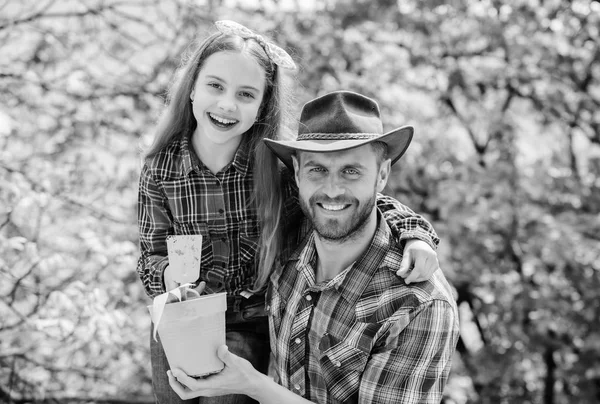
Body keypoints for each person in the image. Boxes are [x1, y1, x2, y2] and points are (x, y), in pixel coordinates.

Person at [137, 18, 442, 404]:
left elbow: (348, 203)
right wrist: (169, 279)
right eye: (215, 86)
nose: (227, 104)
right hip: (182, 315)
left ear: (262, 107)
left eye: (246, 95)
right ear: (192, 89)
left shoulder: (273, 169)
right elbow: (153, 252)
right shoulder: (160, 169)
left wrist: (415, 234)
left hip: (250, 319)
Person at [166, 91, 460, 404]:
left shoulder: (417, 303)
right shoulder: (292, 235)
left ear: (382, 175)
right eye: (317, 169)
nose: (332, 190)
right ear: (296, 174)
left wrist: (253, 385)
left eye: (351, 170)